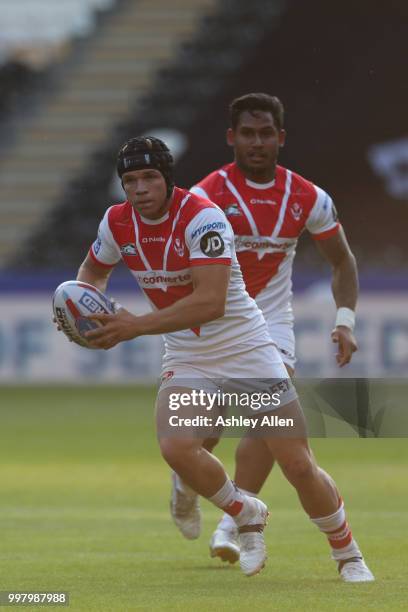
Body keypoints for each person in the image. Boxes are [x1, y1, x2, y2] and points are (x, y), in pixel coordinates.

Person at [71, 135, 304, 578]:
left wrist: (134, 325)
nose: (139, 188)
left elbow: (210, 302)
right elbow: (94, 271)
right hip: (189, 349)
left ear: (168, 179)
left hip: (243, 342)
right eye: (130, 180)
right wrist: (85, 308)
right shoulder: (115, 222)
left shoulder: (201, 217)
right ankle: (246, 512)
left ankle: (345, 549)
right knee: (178, 445)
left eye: (149, 177)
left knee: (270, 447)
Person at [170, 93, 374, 582]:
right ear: (231, 138)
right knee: (205, 436)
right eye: (247, 133)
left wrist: (344, 318)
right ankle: (186, 484)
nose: (256, 142)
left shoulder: (307, 197)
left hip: (270, 329)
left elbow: (342, 261)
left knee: (274, 436)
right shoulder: (204, 197)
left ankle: (231, 523)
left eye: (266, 134)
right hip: (216, 324)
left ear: (280, 138)